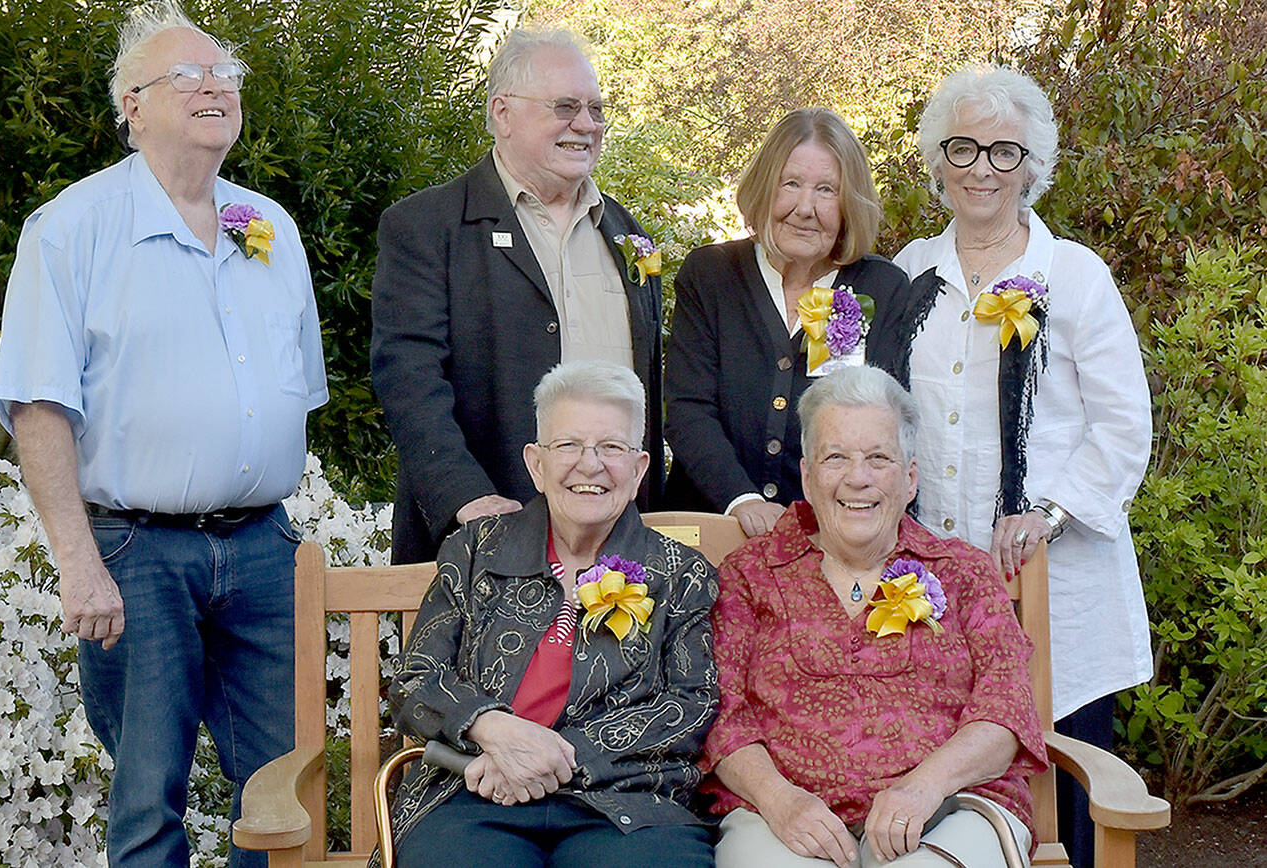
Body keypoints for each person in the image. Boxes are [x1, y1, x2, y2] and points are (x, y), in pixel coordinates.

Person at [0, 3, 328, 865]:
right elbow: (37, 406)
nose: (215, 86)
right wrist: (78, 561)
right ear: (131, 106)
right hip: (136, 553)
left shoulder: (270, 228)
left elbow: (298, 387)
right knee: (146, 798)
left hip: (262, 548)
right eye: (188, 75)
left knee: (289, 786)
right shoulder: (71, 228)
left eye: (226, 76)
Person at [891, 65, 1152, 866]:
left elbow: (1122, 426)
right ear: (936, 163)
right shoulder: (905, 272)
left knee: (1063, 798)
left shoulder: (1075, 275)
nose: (982, 169)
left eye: (1005, 152)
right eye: (962, 147)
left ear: (1034, 165)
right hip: (932, 587)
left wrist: (1049, 511)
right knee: (949, 788)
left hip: (1056, 585)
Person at [701, 365, 1048, 868]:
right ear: (807, 475)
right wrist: (781, 800)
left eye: (878, 459)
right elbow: (721, 713)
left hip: (950, 806)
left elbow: (1005, 709)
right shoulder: (752, 574)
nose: (857, 478)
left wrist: (922, 788)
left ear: (909, 478)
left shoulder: (963, 572)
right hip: (781, 815)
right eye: (835, 457)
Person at [382, 360, 717, 867]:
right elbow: (416, 678)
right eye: (569, 446)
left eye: (611, 447)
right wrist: (496, 732)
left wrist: (551, 757)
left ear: (640, 468)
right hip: (475, 790)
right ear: (536, 464)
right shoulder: (475, 550)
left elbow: (691, 705)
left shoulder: (681, 573)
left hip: (626, 805)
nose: (590, 465)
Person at [371, 27, 664, 564]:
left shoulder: (627, 233)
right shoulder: (428, 226)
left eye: (597, 110)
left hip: (618, 554)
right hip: (482, 543)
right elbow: (408, 378)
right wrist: (466, 498)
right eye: (565, 106)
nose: (586, 124)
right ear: (503, 113)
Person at [664, 107, 912, 538]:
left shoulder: (883, 287)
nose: (805, 208)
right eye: (790, 184)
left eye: (826, 190)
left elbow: (883, 426)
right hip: (712, 527)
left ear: (849, 201)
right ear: (764, 188)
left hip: (830, 540)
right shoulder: (711, 274)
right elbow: (687, 410)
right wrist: (742, 499)